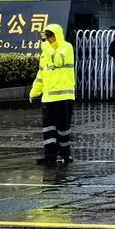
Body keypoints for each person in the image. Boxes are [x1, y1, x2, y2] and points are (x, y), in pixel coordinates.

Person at [28, 24, 75, 165]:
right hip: (48, 98)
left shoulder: (66, 47)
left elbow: (58, 61)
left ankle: (65, 155)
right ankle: (50, 155)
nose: (47, 38)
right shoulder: (46, 52)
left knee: (63, 129)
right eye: (46, 36)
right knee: (48, 129)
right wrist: (34, 92)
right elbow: (41, 74)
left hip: (63, 97)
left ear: (57, 35)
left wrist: (47, 49)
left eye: (50, 35)